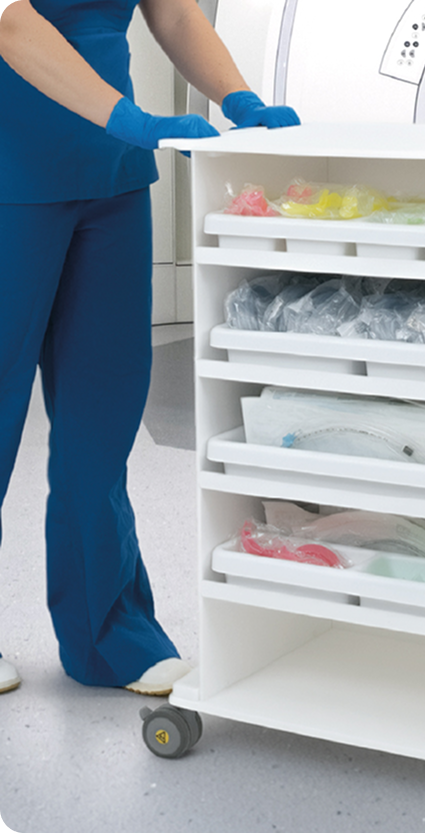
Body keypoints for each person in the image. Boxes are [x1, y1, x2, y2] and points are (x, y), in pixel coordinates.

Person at [0, 0, 299, 696]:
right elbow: (11, 23)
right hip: (14, 166)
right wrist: (129, 119)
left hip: (113, 177)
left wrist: (239, 98)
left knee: (102, 415)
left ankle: (110, 637)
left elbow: (174, 14)